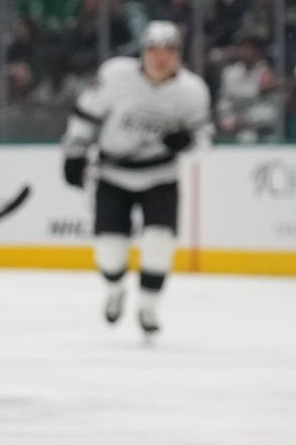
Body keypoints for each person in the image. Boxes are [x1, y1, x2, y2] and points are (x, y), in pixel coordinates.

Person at [61, 20, 211, 336]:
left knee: (159, 244)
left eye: (169, 50)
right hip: (112, 175)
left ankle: (148, 307)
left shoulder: (192, 91)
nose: (161, 57)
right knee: (110, 252)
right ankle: (115, 289)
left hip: (161, 176)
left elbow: (204, 139)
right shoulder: (115, 76)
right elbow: (86, 115)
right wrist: (74, 152)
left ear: (178, 55)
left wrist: (189, 143)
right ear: (142, 51)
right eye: (154, 50)